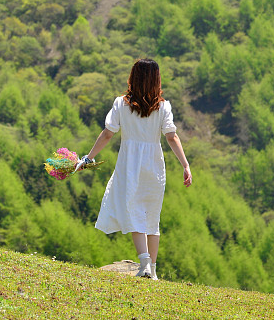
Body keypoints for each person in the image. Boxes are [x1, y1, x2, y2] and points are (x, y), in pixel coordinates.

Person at [79, 58, 192, 280]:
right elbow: (171, 136)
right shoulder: (163, 107)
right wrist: (185, 165)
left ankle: (144, 265)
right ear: (156, 80)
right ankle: (154, 270)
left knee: (134, 211)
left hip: (129, 163)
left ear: (133, 78)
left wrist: (88, 158)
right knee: (151, 215)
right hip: (154, 164)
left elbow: (108, 133)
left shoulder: (121, 104)